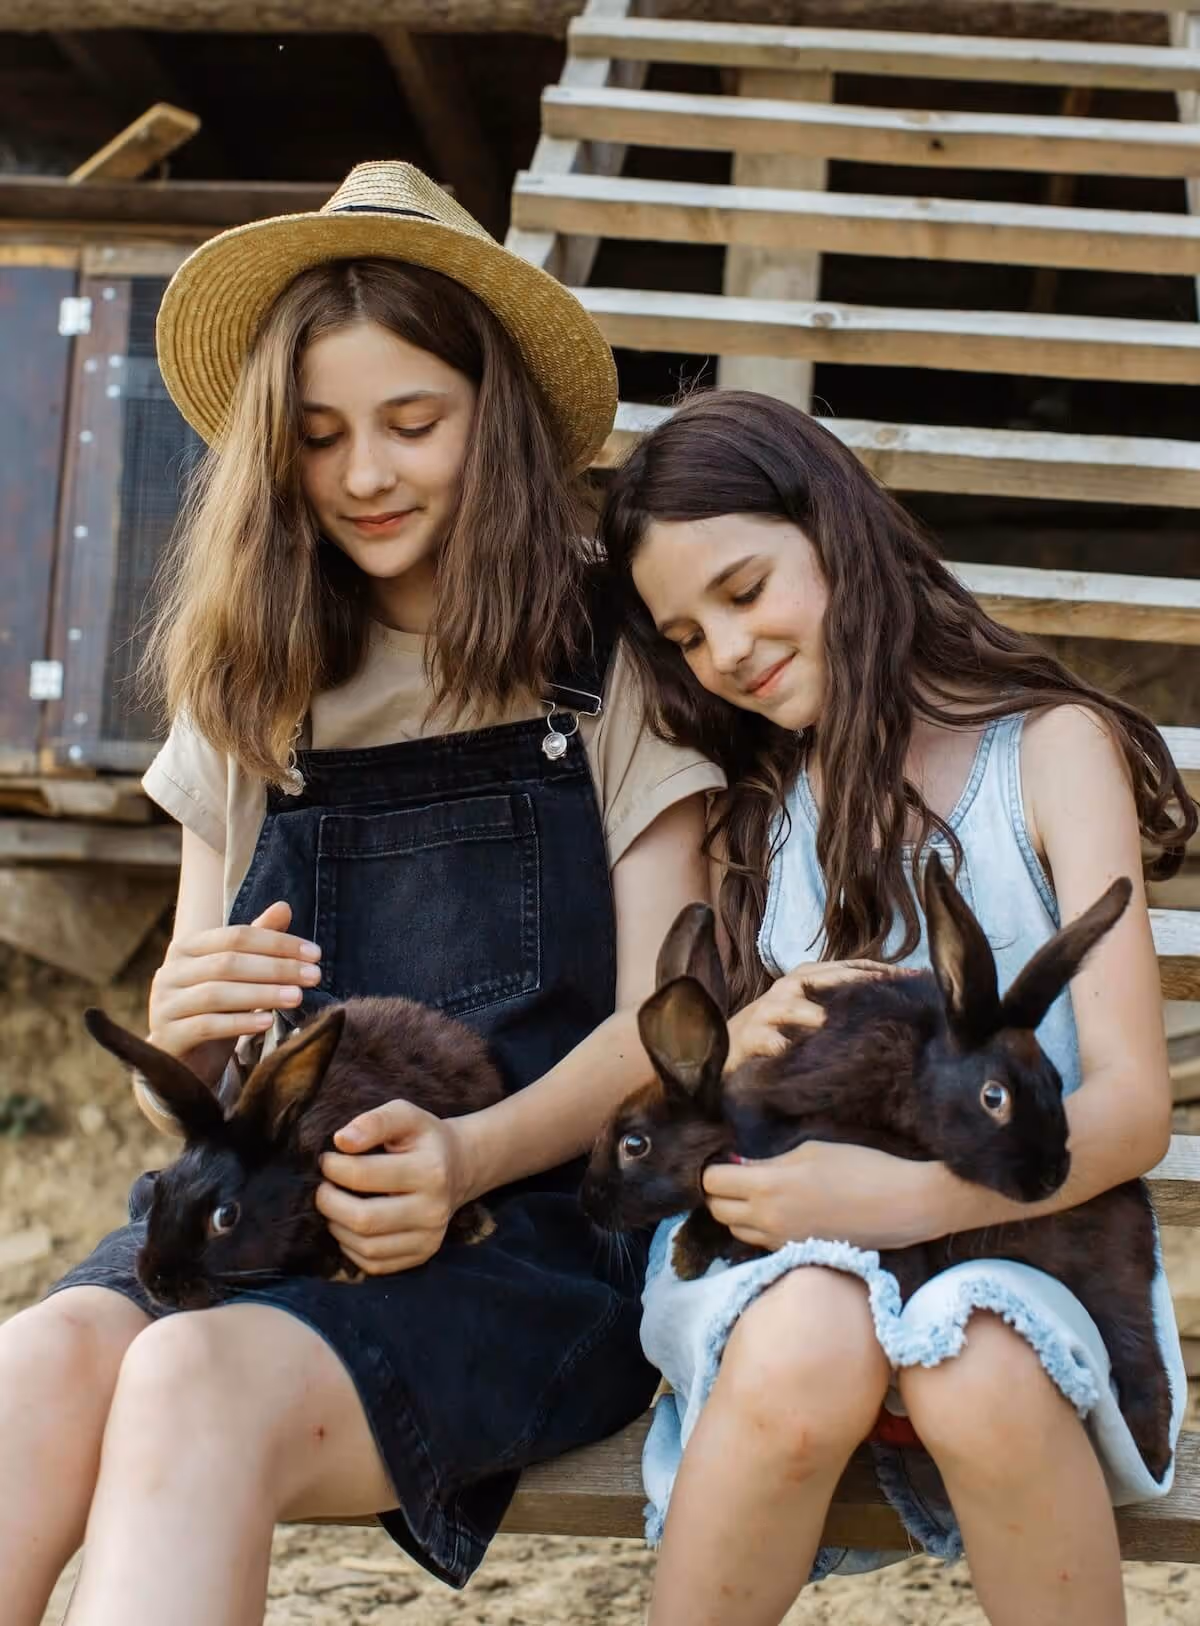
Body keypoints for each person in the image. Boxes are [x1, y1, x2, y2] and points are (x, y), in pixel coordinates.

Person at [0, 162, 723, 1626]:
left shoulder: (609, 654)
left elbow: (670, 1023)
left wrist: (462, 1161)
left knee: (188, 1378)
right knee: (35, 1368)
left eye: (414, 424)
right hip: (259, 1205)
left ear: (497, 419)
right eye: (321, 436)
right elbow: (197, 1076)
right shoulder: (256, 671)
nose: (366, 476)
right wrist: (178, 1034)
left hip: (520, 1231)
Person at [599, 388, 1195, 1626]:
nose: (727, 652)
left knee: (976, 1364)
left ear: (837, 532)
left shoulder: (1047, 752)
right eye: (687, 635)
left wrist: (913, 1196)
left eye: (746, 590)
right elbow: (707, 1092)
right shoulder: (752, 805)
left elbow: (1132, 1108)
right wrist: (747, 1036)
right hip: (789, 1262)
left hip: (1025, 1245)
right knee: (813, 1328)